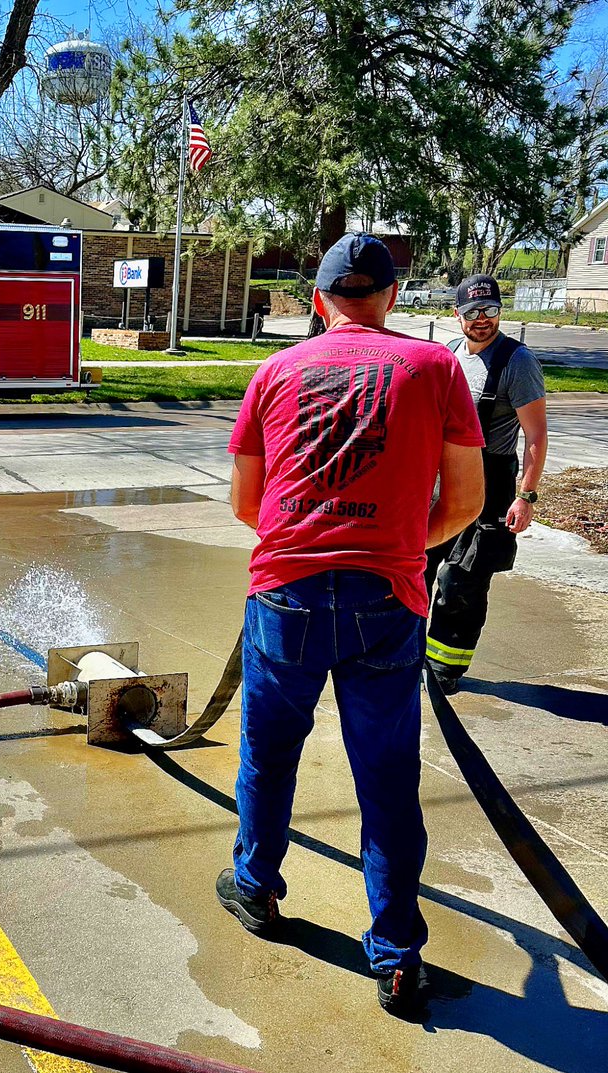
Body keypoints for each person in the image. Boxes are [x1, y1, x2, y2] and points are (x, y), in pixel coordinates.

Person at [217, 234, 485, 1016]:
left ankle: (259, 889)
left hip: (286, 597)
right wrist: (396, 544)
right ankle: (398, 955)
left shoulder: (273, 372)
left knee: (269, 756)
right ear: (392, 298)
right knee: (389, 778)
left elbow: (245, 503)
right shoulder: (436, 369)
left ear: (318, 301)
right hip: (386, 601)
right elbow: (466, 503)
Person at [425, 275, 548, 694]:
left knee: (463, 580)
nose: (483, 319)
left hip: (490, 484)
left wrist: (525, 496)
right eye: (473, 311)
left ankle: (445, 670)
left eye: (491, 310)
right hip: (440, 482)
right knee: (414, 570)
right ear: (456, 315)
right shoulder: (447, 357)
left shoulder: (517, 361)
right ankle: (401, 655)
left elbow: (536, 435)